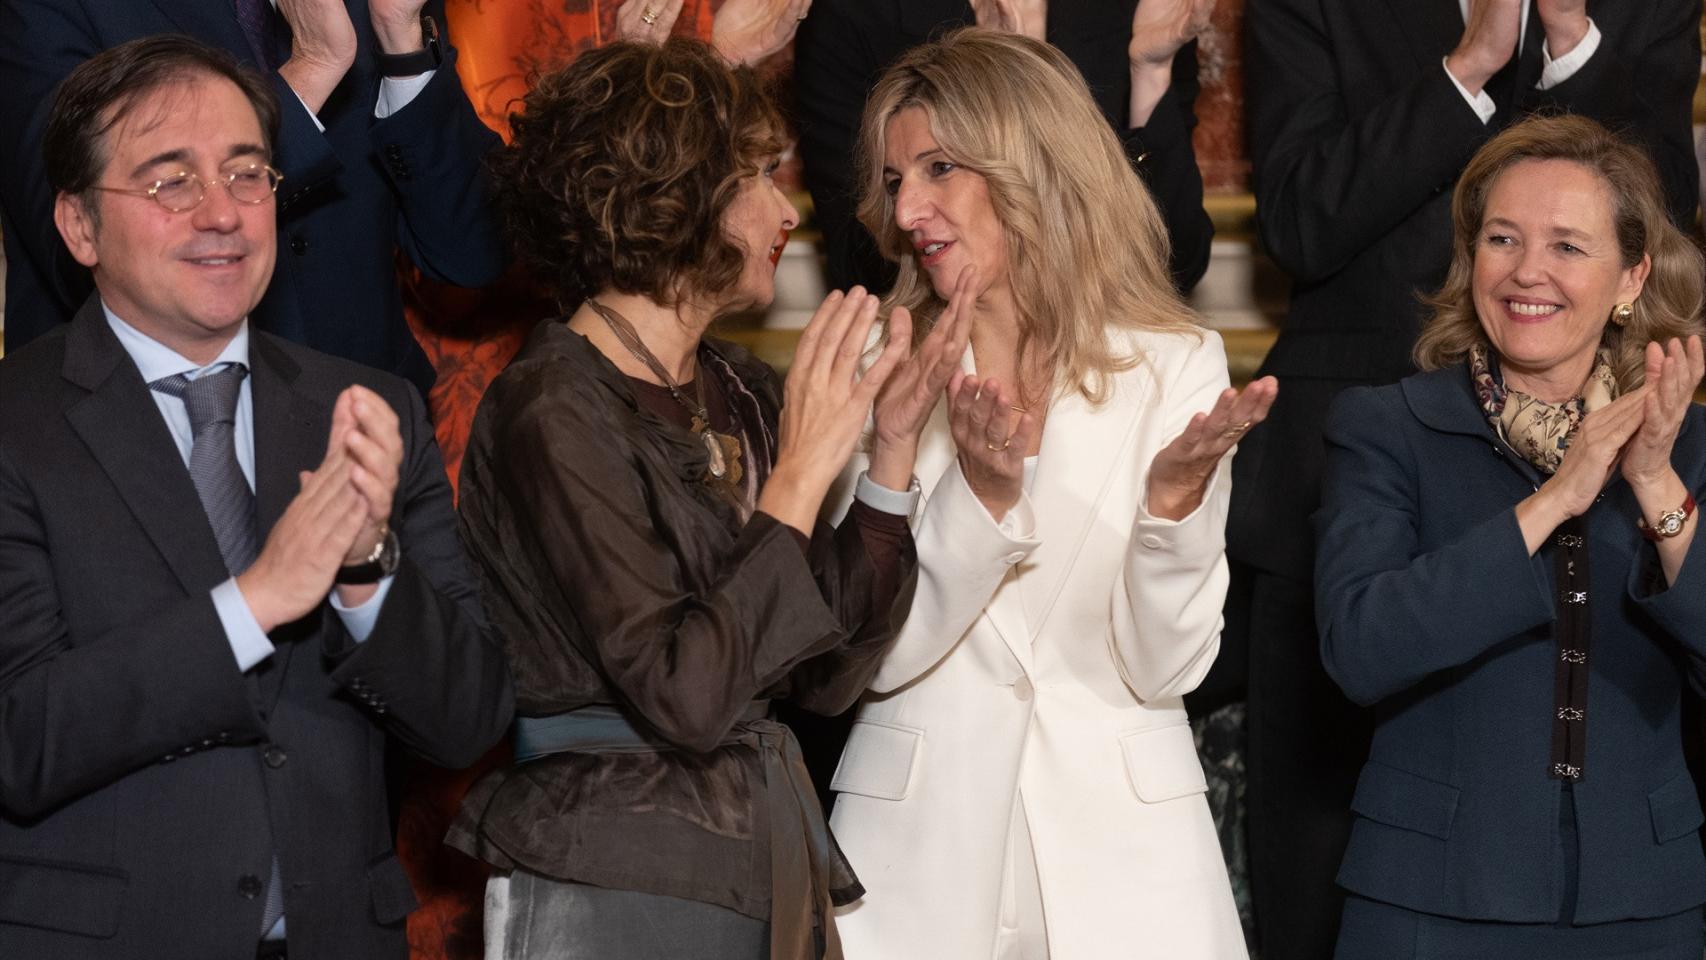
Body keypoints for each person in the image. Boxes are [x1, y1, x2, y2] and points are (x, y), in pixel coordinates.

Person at [445, 38, 962, 960]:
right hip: (609, 870)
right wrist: (799, 477)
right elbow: (686, 694)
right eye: (757, 174)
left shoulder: (743, 390)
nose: (787, 208)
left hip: (758, 858)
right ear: (674, 193)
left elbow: (827, 677)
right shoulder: (551, 407)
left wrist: (887, 458)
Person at [0, 36, 513, 959]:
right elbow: (20, 738)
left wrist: (365, 578)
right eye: (170, 182)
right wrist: (255, 602)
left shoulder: (366, 408)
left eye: (247, 173)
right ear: (78, 225)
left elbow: (469, 717)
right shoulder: (16, 426)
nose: (222, 213)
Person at [1236, 2, 1700, 955]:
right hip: (1427, 907)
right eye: (1501, 239)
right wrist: (1555, 498)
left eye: (1568, 245)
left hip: (1643, 910)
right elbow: (1363, 648)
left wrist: (1655, 486)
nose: (1528, 273)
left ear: (1630, 278)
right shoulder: (1388, 428)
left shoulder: (1682, 441)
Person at [824, 29, 1272, 959]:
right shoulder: (874, 364)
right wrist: (979, 504)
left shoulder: (1174, 361)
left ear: (1030, 163)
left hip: (1130, 868)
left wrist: (1172, 509)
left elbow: (1166, 669)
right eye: (895, 179)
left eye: (938, 168)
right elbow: (867, 658)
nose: (907, 209)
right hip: (913, 864)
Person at [0, 0, 506, 395]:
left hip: (366, 424)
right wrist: (311, 72)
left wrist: (402, 41)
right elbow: (74, 241)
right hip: (149, 447)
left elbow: (473, 251)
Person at [794, 0, 1215, 296]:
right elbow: (860, 267)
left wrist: (1151, 72)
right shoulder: (854, 13)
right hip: (942, 352)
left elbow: (1178, 262)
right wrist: (985, 86)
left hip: (1106, 342)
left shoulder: (1132, 9)